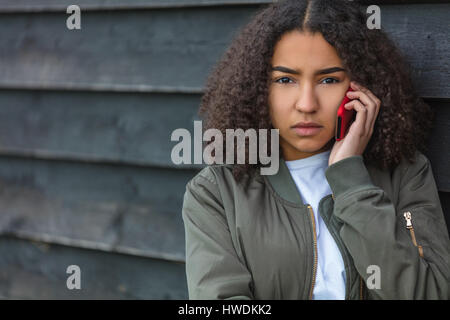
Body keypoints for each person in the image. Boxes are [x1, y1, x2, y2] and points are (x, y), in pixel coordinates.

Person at [181, 0, 450, 300]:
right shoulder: (217, 192)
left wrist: (351, 182)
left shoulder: (405, 173)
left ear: (362, 87)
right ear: (257, 87)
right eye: (285, 80)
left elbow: (430, 293)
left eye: (328, 79)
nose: (307, 104)